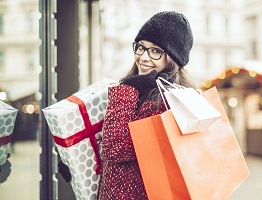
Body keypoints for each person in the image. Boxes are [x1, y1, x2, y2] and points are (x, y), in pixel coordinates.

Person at [59, 11, 194, 199]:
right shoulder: (140, 91)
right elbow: (113, 145)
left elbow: (116, 148)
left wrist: (128, 88)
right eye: (141, 47)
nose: (144, 57)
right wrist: (75, 158)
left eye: (155, 51)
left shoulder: (164, 103)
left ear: (173, 57)